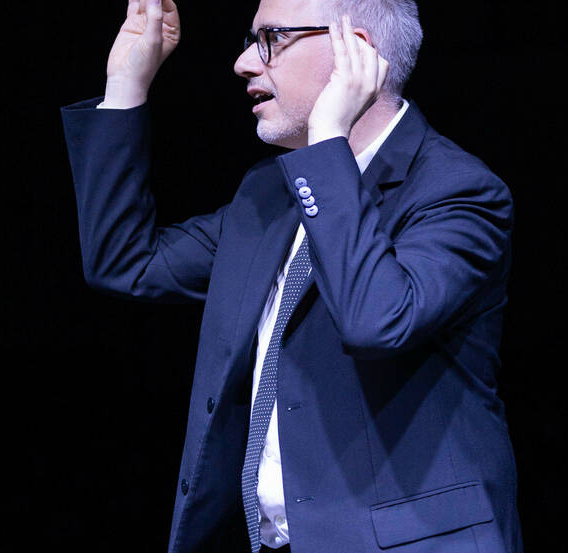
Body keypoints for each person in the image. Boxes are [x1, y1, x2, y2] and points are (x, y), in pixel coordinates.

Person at [60, 0, 523, 551]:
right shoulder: (270, 193)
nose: (243, 63)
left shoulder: (456, 191)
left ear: (355, 51)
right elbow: (126, 262)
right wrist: (125, 86)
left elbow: (377, 322)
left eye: (272, 39)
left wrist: (329, 142)